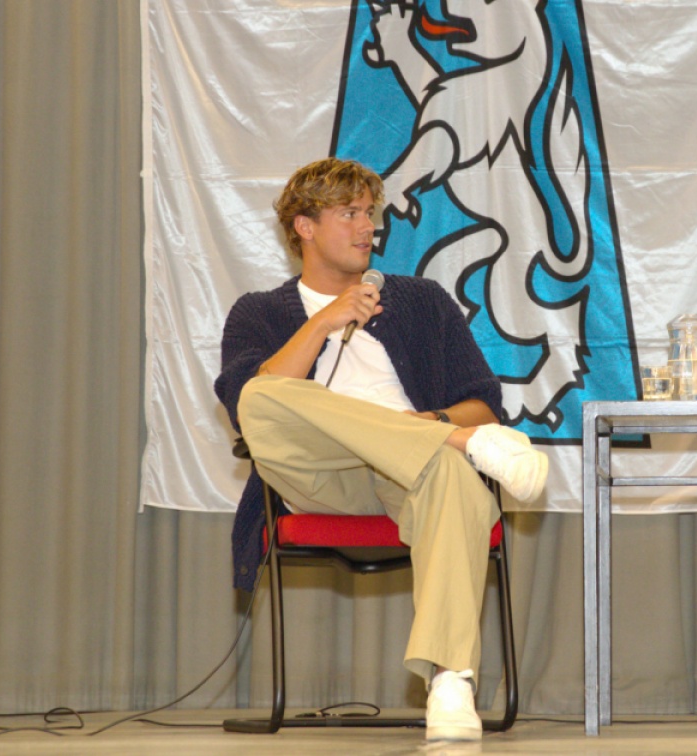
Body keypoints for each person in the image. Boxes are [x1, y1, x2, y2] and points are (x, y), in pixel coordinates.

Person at [214, 157, 548, 742]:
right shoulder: (259, 312)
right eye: (350, 213)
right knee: (261, 396)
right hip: (319, 476)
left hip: (409, 473)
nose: (368, 226)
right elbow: (249, 407)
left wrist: (432, 423)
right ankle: (455, 444)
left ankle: (450, 680)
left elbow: (483, 403)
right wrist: (322, 324)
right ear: (304, 226)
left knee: (451, 475)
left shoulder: (422, 300)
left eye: (370, 213)